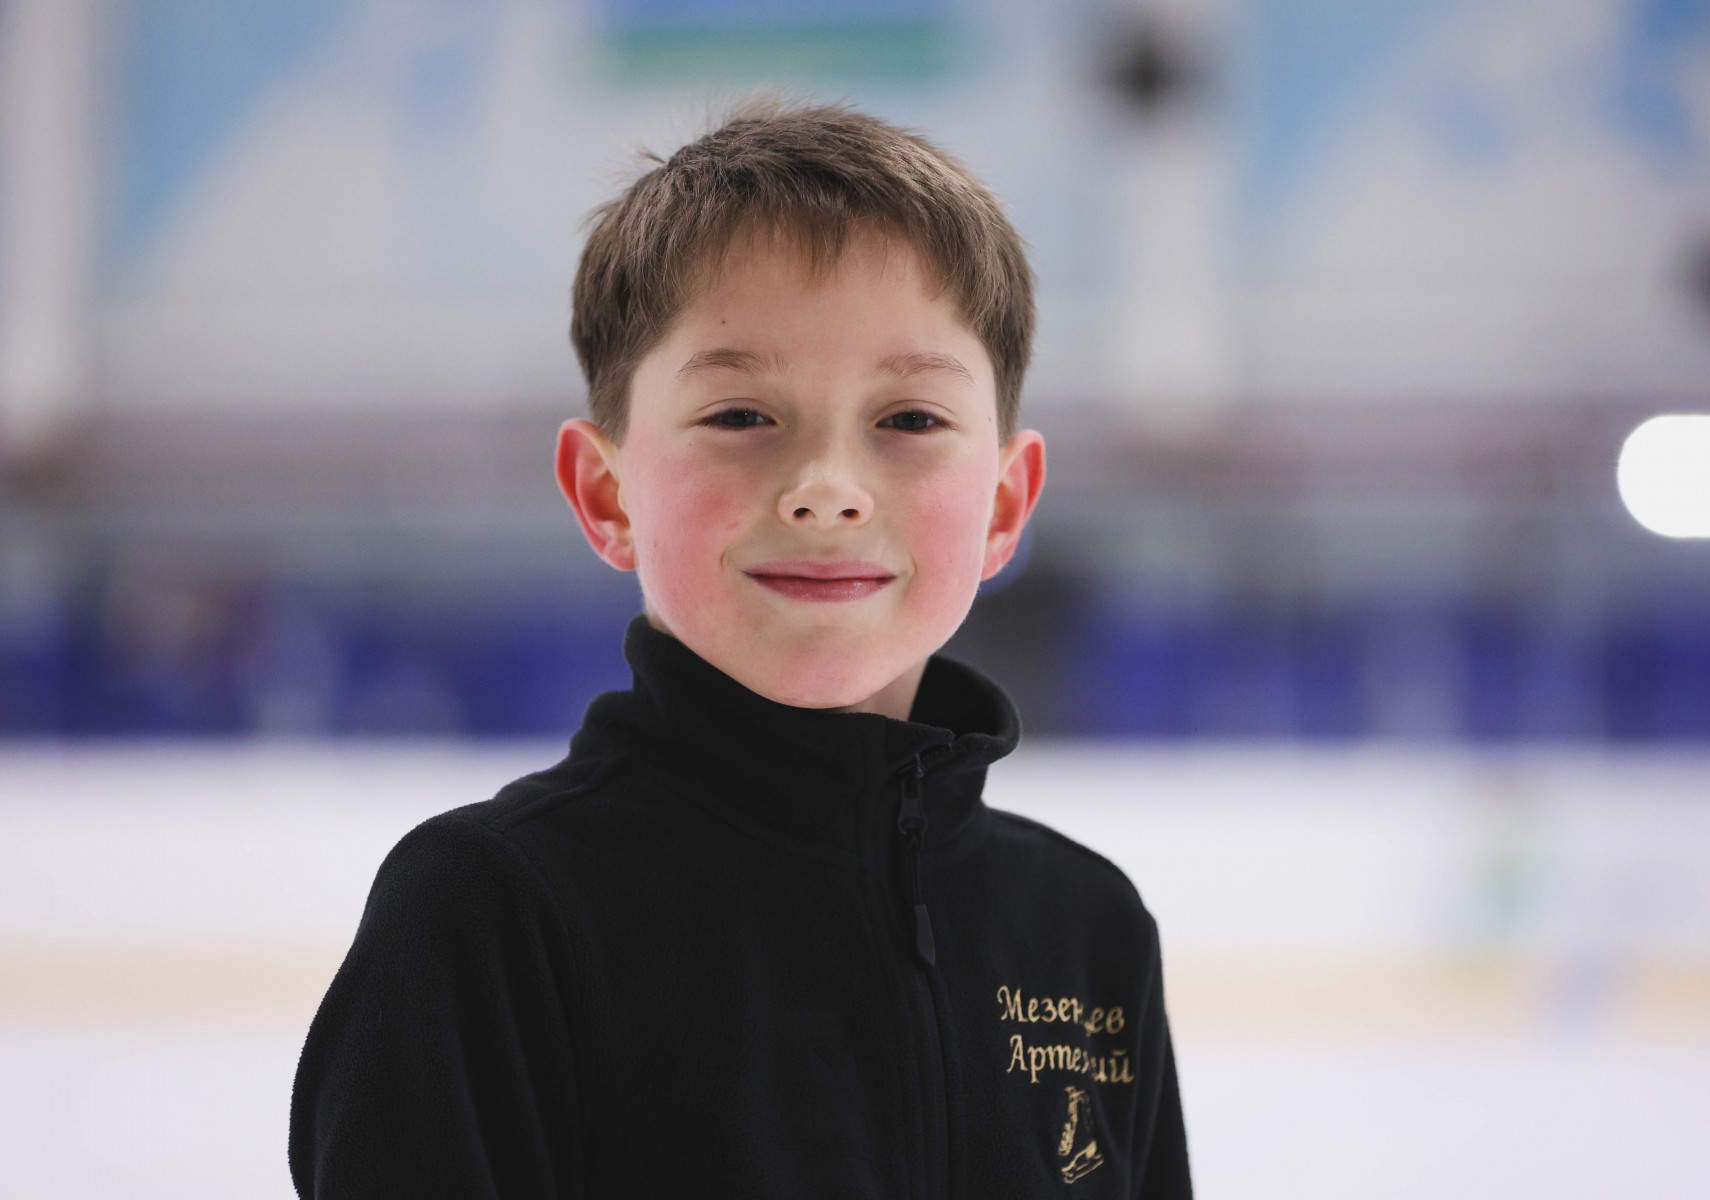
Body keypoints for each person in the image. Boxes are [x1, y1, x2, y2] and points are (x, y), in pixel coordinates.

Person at [289, 97, 1192, 1198]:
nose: (826, 491)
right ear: (605, 491)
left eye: (908, 420)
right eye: (740, 417)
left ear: (1004, 506)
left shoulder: (1084, 927)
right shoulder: (494, 913)